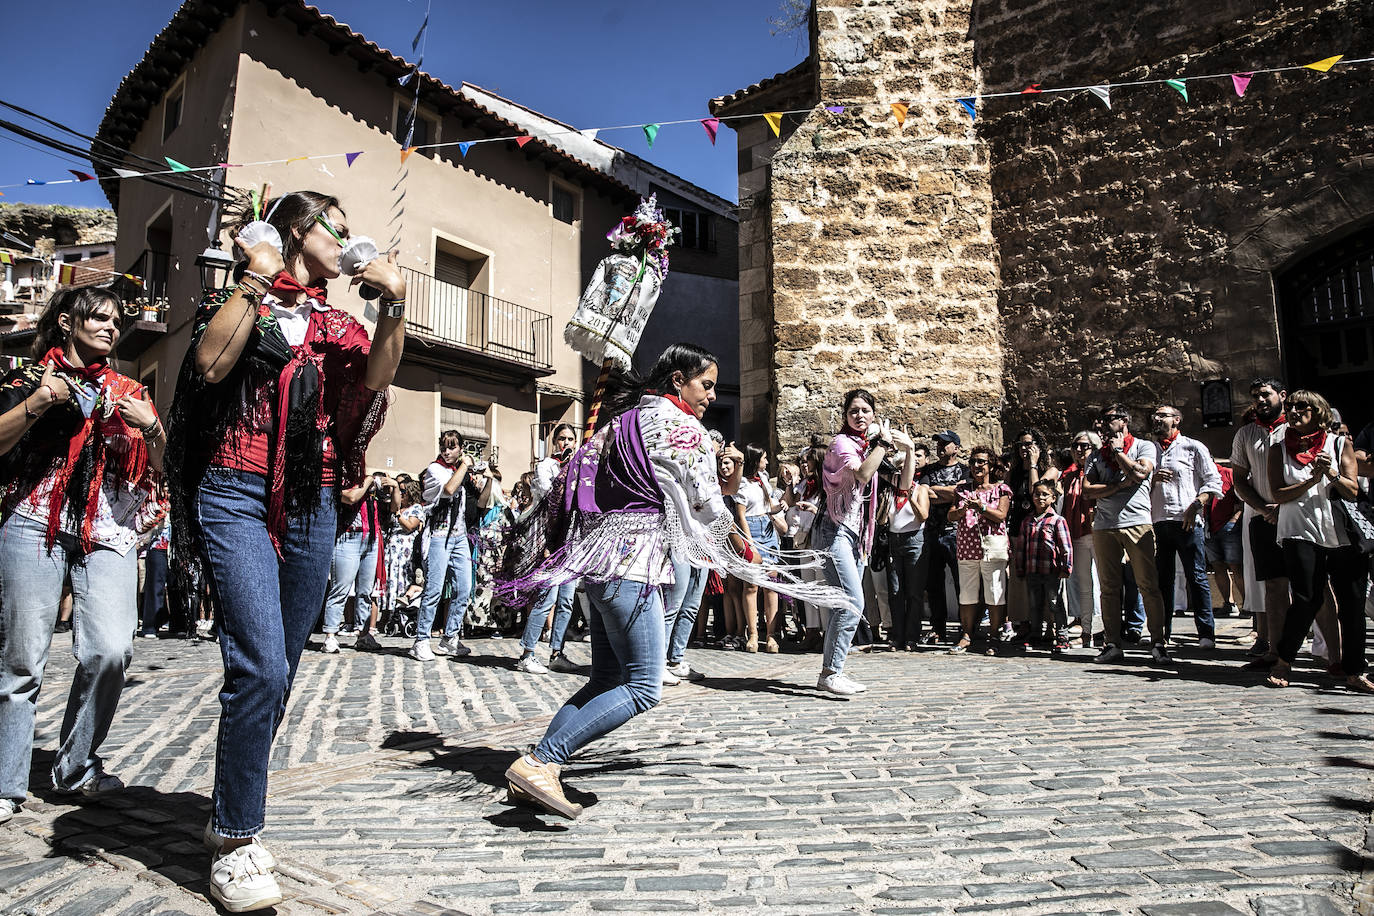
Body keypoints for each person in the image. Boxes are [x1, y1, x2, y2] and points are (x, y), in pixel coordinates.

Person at [164, 190, 403, 911]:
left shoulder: (337, 323)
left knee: (282, 669)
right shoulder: (251, 300)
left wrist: (393, 304)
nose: (348, 240)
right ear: (301, 230)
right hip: (233, 484)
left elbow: (378, 379)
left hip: (314, 496)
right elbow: (209, 365)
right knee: (261, 663)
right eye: (340, 227)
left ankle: (225, 808)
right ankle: (237, 840)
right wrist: (256, 274)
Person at [498, 344, 846, 816]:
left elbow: (572, 481)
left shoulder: (617, 424)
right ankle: (543, 760)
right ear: (679, 380)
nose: (711, 396)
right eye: (706, 385)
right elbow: (706, 506)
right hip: (635, 567)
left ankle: (538, 764)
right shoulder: (686, 431)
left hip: (599, 566)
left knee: (605, 678)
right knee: (643, 686)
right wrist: (745, 551)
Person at [0, 287, 163, 827]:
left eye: (118, 321)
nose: (112, 328)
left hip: (108, 527)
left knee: (113, 647)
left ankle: (73, 765)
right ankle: (5, 783)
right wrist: (39, 402)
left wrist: (153, 427)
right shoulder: (27, 377)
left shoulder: (131, 391)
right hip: (32, 515)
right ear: (68, 321)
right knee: (22, 660)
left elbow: (163, 463)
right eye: (99, 317)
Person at [1265, 390, 1372, 692]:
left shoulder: (1340, 444)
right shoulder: (1278, 449)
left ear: (1319, 411)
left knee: (1351, 602)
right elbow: (1277, 494)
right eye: (1291, 407)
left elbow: (1352, 491)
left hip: (1341, 533)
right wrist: (1311, 481)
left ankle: (1354, 670)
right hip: (1299, 529)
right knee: (1305, 598)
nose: (1295, 411)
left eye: (1303, 407)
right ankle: (1284, 661)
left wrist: (1332, 474)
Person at [814, 390, 905, 694]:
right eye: (854, 411)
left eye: (866, 410)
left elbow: (903, 485)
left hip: (854, 536)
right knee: (852, 602)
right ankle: (830, 673)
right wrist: (882, 444)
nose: (860, 416)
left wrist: (909, 448)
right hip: (833, 532)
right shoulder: (842, 445)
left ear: (874, 415)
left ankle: (832, 671)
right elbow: (864, 474)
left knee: (847, 604)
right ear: (845, 415)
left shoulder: (867, 447)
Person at [1084, 405, 1170, 665]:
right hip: (1104, 525)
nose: (1103, 424)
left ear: (1124, 421)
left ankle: (1157, 641)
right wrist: (1119, 485)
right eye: (1102, 420)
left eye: (1109, 419)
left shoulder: (1144, 446)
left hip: (1137, 522)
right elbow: (1087, 490)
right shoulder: (1096, 455)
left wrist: (1119, 453)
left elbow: (1140, 473)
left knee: (1148, 585)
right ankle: (1112, 643)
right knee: (1109, 588)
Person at [1149, 404, 1222, 648]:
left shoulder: (1193, 446)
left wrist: (1197, 504)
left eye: (1163, 415)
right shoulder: (1149, 451)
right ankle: (1163, 632)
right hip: (1159, 521)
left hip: (1187, 522)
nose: (1157, 419)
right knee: (1163, 580)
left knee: (1197, 576)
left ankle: (1206, 633)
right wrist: (1152, 479)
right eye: (1155, 415)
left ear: (1177, 420)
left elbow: (1213, 481)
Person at [1231, 379, 1291, 669]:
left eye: (1265, 394)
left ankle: (1331, 652)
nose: (1260, 400)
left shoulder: (1294, 428)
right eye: (1255, 396)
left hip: (1296, 516)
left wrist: (1285, 505)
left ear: (1282, 395)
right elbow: (1239, 478)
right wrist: (1262, 507)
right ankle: (1276, 651)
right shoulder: (1246, 434)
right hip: (1262, 517)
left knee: (1312, 586)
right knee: (1273, 586)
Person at [516, 424, 580, 674]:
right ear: (555, 442)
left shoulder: (579, 466)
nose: (566, 443)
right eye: (562, 438)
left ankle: (557, 652)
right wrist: (566, 469)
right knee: (547, 597)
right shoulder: (546, 466)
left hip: (571, 540)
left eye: (570, 439)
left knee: (566, 600)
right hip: (549, 539)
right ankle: (527, 653)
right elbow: (552, 495)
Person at [413, 431, 477, 661]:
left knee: (464, 587)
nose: (447, 451)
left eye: (452, 447)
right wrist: (465, 466)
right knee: (434, 589)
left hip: (459, 536)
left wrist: (486, 478)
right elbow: (449, 489)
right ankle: (421, 639)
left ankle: (450, 637)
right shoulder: (435, 469)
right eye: (444, 447)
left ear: (460, 448)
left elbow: (476, 499)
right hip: (439, 534)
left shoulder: (459, 471)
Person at [948, 446, 1012, 655]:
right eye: (973, 461)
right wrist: (962, 510)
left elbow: (1001, 515)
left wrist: (981, 508)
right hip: (967, 547)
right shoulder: (962, 490)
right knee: (967, 594)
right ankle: (967, 634)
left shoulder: (1001, 489)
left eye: (981, 462)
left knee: (994, 593)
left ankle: (994, 635)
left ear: (991, 465)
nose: (976, 466)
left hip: (992, 547)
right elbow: (951, 516)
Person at [321, 473, 389, 653]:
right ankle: (330, 634)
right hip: (348, 536)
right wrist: (367, 483)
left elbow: (392, 506)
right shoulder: (341, 481)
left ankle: (364, 634)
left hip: (370, 539)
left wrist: (393, 487)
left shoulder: (370, 489)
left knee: (365, 591)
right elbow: (351, 498)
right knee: (340, 589)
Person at [1005, 429, 1059, 644]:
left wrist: (1034, 465)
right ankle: (1025, 624)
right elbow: (1007, 496)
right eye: (1020, 445)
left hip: (1043, 532)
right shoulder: (1015, 472)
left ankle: (1051, 625)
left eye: (1029, 444)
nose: (1024, 449)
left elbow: (1035, 491)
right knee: (1021, 581)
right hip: (1020, 529)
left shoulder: (1051, 470)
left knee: (1046, 579)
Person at [919, 431, 967, 645]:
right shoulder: (929, 470)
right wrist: (952, 492)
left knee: (961, 583)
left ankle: (966, 628)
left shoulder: (964, 469)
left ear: (956, 447)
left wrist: (942, 492)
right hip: (932, 532)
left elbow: (964, 493)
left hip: (957, 533)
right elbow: (926, 494)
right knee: (934, 584)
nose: (940, 447)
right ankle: (938, 629)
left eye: (945, 444)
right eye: (938, 443)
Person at [1016, 480, 1074, 653]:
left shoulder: (1057, 520)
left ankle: (1062, 636)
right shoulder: (1027, 521)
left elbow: (1066, 546)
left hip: (1052, 570)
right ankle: (1035, 635)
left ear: (1052, 498)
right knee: (1035, 604)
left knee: (1055, 602)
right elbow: (1021, 547)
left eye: (1044, 494)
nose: (1040, 497)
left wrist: (1066, 567)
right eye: (1036, 494)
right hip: (1032, 570)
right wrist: (1020, 568)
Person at [884, 435, 930, 651]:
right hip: (894, 541)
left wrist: (911, 497)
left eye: (905, 468)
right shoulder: (889, 491)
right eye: (898, 468)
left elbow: (923, 516)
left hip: (914, 540)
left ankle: (912, 636)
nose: (902, 472)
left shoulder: (921, 489)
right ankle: (897, 636)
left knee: (913, 592)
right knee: (895, 591)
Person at [741, 444, 786, 652]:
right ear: (755, 459)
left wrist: (782, 505)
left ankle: (771, 635)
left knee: (771, 584)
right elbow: (740, 514)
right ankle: (752, 634)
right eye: (764, 458)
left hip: (767, 528)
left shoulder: (763, 481)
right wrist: (749, 541)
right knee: (751, 586)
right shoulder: (741, 483)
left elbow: (769, 507)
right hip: (751, 529)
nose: (767, 462)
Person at [1060, 432, 1101, 647]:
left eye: (1084, 446)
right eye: (1075, 446)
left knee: (1106, 583)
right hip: (1077, 533)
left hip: (1097, 532)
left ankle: (1109, 632)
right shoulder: (1069, 476)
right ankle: (1087, 633)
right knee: (1083, 585)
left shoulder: (1099, 472)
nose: (1078, 450)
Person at [379, 477, 426, 641]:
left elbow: (410, 526)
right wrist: (394, 490)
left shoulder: (417, 508)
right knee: (391, 579)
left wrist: (399, 515)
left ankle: (404, 615)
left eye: (403, 491)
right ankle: (389, 615)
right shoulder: (398, 507)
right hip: (393, 550)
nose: (401, 494)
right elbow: (394, 507)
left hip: (406, 550)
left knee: (402, 580)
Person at [1205, 461, 1245, 618]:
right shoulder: (1200, 476)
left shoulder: (1228, 473)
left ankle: (1248, 605)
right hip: (1209, 527)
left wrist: (1235, 519)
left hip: (1229, 527)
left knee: (1236, 566)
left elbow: (1242, 497)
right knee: (1217, 566)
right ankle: (1229, 604)